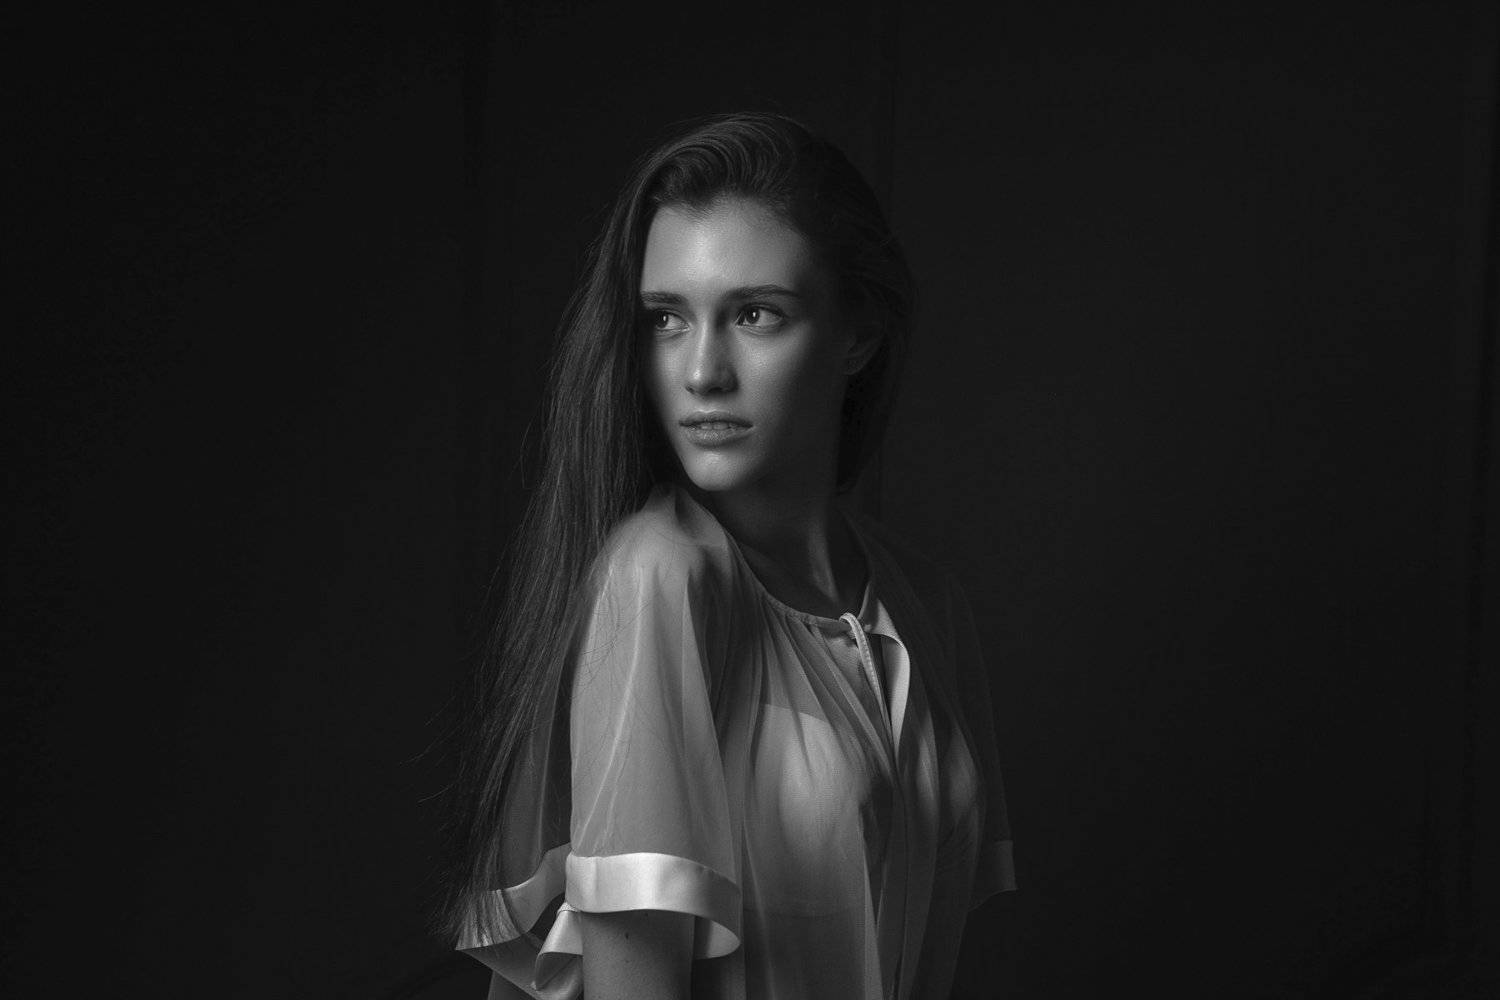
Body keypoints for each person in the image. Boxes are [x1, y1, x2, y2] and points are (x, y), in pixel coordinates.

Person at [443, 112, 1015, 1000]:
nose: (703, 372)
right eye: (667, 319)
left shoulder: (926, 606)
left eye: (755, 314)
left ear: (858, 333)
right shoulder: (658, 575)